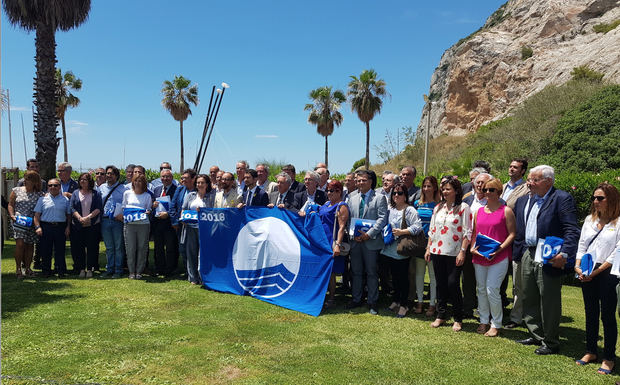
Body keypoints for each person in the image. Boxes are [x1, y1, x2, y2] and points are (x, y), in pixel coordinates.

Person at [514, 165, 580, 355]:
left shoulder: (561, 198)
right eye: (529, 179)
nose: (530, 183)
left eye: (535, 180)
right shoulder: (527, 200)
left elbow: (571, 229)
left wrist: (565, 254)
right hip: (529, 251)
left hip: (549, 254)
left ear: (548, 181)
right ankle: (536, 334)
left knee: (549, 298)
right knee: (529, 294)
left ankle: (551, 341)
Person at [574, 183, 620, 375]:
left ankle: (608, 357)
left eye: (600, 198)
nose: (595, 201)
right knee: (590, 312)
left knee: (607, 316)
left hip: (607, 273)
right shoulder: (589, 220)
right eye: (594, 198)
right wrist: (577, 266)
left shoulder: (618, 222)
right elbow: (582, 244)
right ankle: (591, 351)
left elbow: (617, 251)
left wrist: (597, 271)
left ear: (612, 199)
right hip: (586, 270)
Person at [470, 178, 516, 337]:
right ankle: (483, 320)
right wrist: (472, 248)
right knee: (481, 289)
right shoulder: (479, 212)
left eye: (491, 190)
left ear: (498, 192)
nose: (487, 193)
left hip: (499, 256)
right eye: (485, 190)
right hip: (480, 256)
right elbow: (475, 234)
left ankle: (496, 323)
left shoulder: (506, 211)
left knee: (492, 290)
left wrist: (499, 249)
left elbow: (512, 234)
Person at [425, 176, 472, 332]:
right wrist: (428, 248)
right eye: (443, 189)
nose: (445, 192)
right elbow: (432, 229)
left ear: (456, 191)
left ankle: (458, 317)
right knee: (440, 284)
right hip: (437, 251)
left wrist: (463, 252)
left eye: (448, 189)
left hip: (454, 252)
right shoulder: (438, 207)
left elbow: (467, 232)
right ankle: (441, 314)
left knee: (453, 284)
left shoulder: (464, 207)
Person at [300, 180, 349, 308]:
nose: (328, 193)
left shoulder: (342, 206)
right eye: (327, 190)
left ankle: (332, 298)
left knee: (331, 272)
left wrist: (338, 244)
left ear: (339, 192)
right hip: (321, 241)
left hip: (332, 242)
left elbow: (341, 227)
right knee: (322, 269)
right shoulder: (326, 204)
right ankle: (322, 295)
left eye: (332, 190)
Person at [345, 170, 388, 315]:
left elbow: (382, 219)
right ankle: (356, 299)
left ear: (370, 181)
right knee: (356, 272)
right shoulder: (351, 197)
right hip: (355, 241)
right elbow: (348, 219)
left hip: (371, 242)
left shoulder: (380, 198)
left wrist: (369, 235)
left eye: (363, 180)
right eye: (358, 181)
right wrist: (352, 234)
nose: (360, 183)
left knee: (371, 272)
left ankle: (372, 301)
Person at [382, 182, 423, 318]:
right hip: (389, 248)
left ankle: (404, 305)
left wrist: (402, 231)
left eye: (400, 193)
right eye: (394, 193)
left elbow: (418, 227)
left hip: (402, 249)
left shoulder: (410, 210)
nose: (396, 196)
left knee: (403, 278)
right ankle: (396, 300)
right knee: (394, 277)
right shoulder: (390, 209)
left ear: (405, 195)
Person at [502, 158, 530, 329]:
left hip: (517, 237)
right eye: (510, 166)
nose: (511, 169)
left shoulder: (526, 188)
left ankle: (517, 316)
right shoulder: (502, 186)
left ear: (523, 171)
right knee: (500, 276)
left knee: (518, 280)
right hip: (500, 237)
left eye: (515, 167)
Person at [462, 172, 494, 318]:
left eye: (483, 182)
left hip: (486, 245)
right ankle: (468, 308)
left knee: (486, 282)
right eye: (478, 182)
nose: (480, 185)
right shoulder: (467, 199)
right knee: (468, 279)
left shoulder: (495, 201)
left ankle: (487, 311)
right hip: (468, 245)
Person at [411, 176, 440, 316]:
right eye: (425, 186)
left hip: (434, 243)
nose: (427, 189)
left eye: (429, 186)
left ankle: (432, 304)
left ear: (435, 188)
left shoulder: (439, 204)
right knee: (419, 274)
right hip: (419, 243)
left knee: (433, 276)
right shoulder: (417, 203)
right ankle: (420, 301)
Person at [8, 170, 45, 278]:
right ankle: (18, 268)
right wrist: (12, 215)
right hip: (19, 220)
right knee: (20, 244)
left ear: (34, 181)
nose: (25, 181)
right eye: (25, 178)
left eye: (28, 179)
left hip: (32, 222)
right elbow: (10, 204)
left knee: (30, 245)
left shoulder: (39, 194)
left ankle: (28, 268)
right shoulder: (16, 191)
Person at [181, 174, 215, 285]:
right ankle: (193, 277)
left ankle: (203, 276)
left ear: (207, 184)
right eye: (198, 183)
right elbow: (184, 209)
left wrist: (203, 210)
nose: (199, 185)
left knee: (203, 253)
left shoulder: (211, 196)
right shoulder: (191, 195)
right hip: (190, 228)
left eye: (202, 183)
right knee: (191, 253)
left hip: (204, 229)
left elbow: (213, 211)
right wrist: (183, 218)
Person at [33, 178, 71, 278]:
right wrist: (37, 227)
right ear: (48, 187)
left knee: (60, 250)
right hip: (46, 227)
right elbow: (36, 215)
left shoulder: (65, 200)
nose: (53, 187)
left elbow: (68, 215)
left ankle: (61, 270)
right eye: (50, 185)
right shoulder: (42, 199)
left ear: (59, 187)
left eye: (55, 185)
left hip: (60, 227)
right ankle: (46, 271)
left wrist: (68, 227)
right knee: (46, 250)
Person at [70, 173, 103, 278]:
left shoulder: (95, 193)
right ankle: (81, 269)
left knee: (92, 248)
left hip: (92, 225)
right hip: (78, 225)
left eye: (85, 179)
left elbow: (98, 208)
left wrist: (88, 217)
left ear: (90, 182)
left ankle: (90, 269)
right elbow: (72, 208)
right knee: (79, 248)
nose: (82, 181)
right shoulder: (75, 193)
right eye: (81, 179)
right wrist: (80, 218)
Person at [120, 174, 152, 279]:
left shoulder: (147, 196)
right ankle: (131, 271)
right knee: (130, 248)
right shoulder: (127, 193)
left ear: (144, 183)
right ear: (132, 182)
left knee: (142, 248)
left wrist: (148, 212)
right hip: (129, 225)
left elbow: (149, 209)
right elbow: (123, 207)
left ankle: (139, 271)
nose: (137, 183)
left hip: (143, 225)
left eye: (140, 181)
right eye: (136, 181)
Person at [99, 165, 126, 278]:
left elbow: (127, 204)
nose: (109, 176)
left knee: (118, 247)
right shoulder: (101, 188)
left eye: (111, 174)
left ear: (116, 176)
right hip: (105, 220)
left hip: (117, 221)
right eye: (107, 173)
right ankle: (109, 269)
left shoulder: (123, 189)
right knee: (109, 247)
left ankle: (118, 270)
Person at [151, 168, 179, 277]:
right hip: (157, 223)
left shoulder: (177, 189)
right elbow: (152, 203)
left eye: (168, 176)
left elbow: (177, 206)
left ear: (172, 178)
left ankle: (170, 269)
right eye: (163, 176)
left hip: (169, 223)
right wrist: (153, 204)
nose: (165, 179)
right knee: (158, 247)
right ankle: (159, 268)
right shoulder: (157, 189)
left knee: (170, 247)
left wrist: (168, 214)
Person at [170, 169, 197, 278]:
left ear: (193, 179)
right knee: (182, 248)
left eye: (185, 178)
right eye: (182, 178)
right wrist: (175, 222)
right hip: (181, 225)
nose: (183, 180)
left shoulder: (197, 190)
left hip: (194, 225)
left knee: (193, 249)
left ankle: (194, 272)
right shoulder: (180, 189)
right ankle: (187, 271)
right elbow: (173, 206)